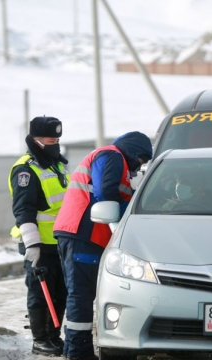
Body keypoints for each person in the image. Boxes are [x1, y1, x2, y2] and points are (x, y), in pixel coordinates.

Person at [53, 131, 152, 360]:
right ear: (134, 152)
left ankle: (74, 350)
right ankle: (79, 352)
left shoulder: (114, 159)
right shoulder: (112, 155)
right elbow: (105, 192)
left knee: (79, 293)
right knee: (81, 294)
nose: (140, 166)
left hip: (80, 233)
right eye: (141, 160)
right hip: (83, 233)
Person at [8, 116, 70, 356]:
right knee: (40, 293)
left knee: (60, 292)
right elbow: (24, 210)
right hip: (39, 244)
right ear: (35, 138)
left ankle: (54, 337)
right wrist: (32, 244)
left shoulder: (56, 164)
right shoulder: (26, 169)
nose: (54, 140)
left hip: (60, 242)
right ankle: (40, 339)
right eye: (48, 137)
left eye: (56, 137)